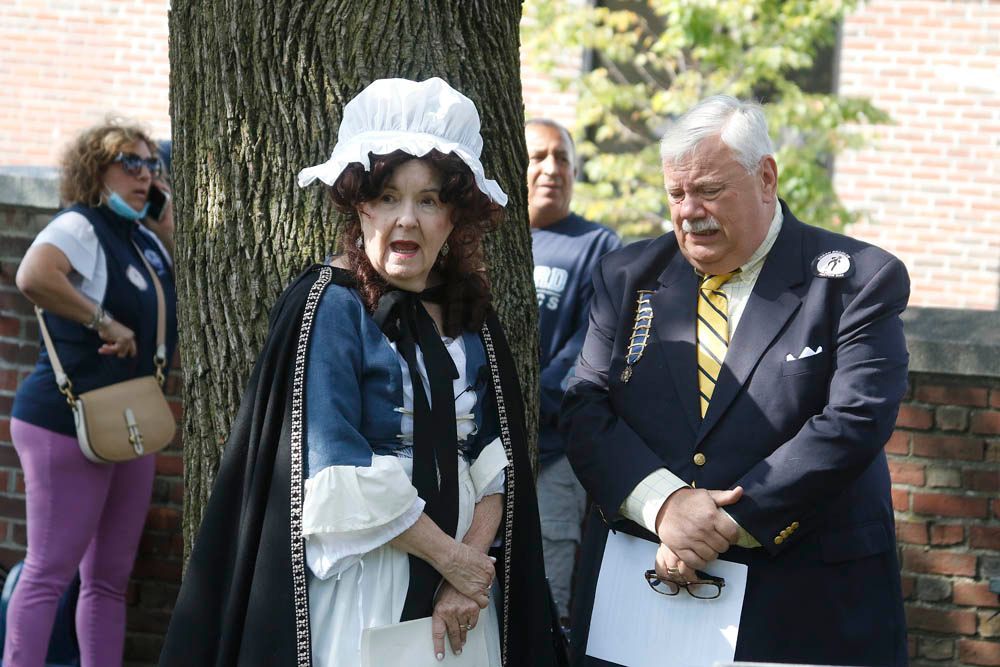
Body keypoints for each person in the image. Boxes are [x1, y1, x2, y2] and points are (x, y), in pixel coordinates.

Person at [158, 77, 559, 667]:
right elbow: (333, 465)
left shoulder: (469, 314)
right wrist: (447, 558)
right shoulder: (331, 306)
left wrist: (467, 571)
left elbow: (498, 456)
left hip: (466, 597)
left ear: (454, 216)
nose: (407, 220)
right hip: (369, 582)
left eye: (428, 200)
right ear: (359, 203)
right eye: (389, 197)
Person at [563, 95, 909, 666]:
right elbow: (584, 410)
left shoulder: (858, 281)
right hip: (648, 595)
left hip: (803, 605)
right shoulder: (628, 276)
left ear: (766, 177)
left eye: (709, 190)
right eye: (676, 194)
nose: (689, 212)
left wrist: (721, 523)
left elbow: (854, 420)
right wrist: (666, 507)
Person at [7, 119, 177, 666]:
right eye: (130, 162)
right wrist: (103, 321)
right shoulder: (80, 225)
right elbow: (33, 275)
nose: (144, 175)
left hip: (127, 421)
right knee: (49, 572)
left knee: (107, 581)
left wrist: (165, 210)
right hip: (65, 418)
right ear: (94, 169)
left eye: (152, 164)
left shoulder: (144, 238)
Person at [525, 119, 620, 626]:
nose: (551, 169)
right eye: (537, 157)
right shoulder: (490, 238)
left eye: (562, 158)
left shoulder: (597, 245)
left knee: (544, 600)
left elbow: (590, 347)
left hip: (553, 455)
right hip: (470, 449)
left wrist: (522, 403)